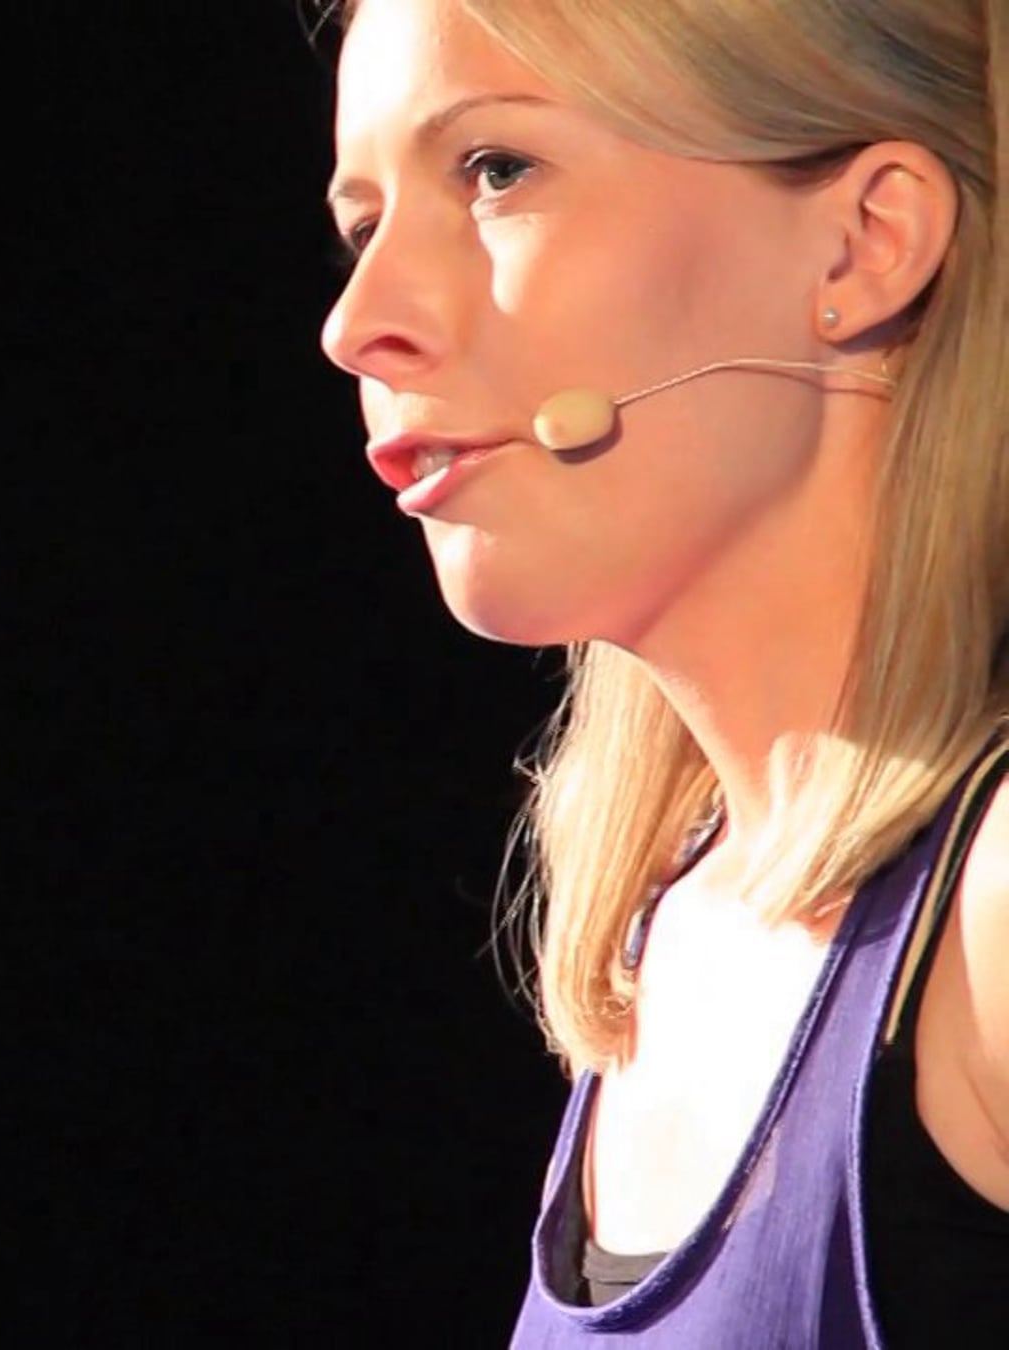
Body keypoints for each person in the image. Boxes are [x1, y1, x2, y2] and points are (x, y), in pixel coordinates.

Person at [318, 0, 1009, 1342]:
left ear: (867, 240)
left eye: (495, 170)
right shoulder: (662, 936)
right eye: (362, 223)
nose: (358, 321)